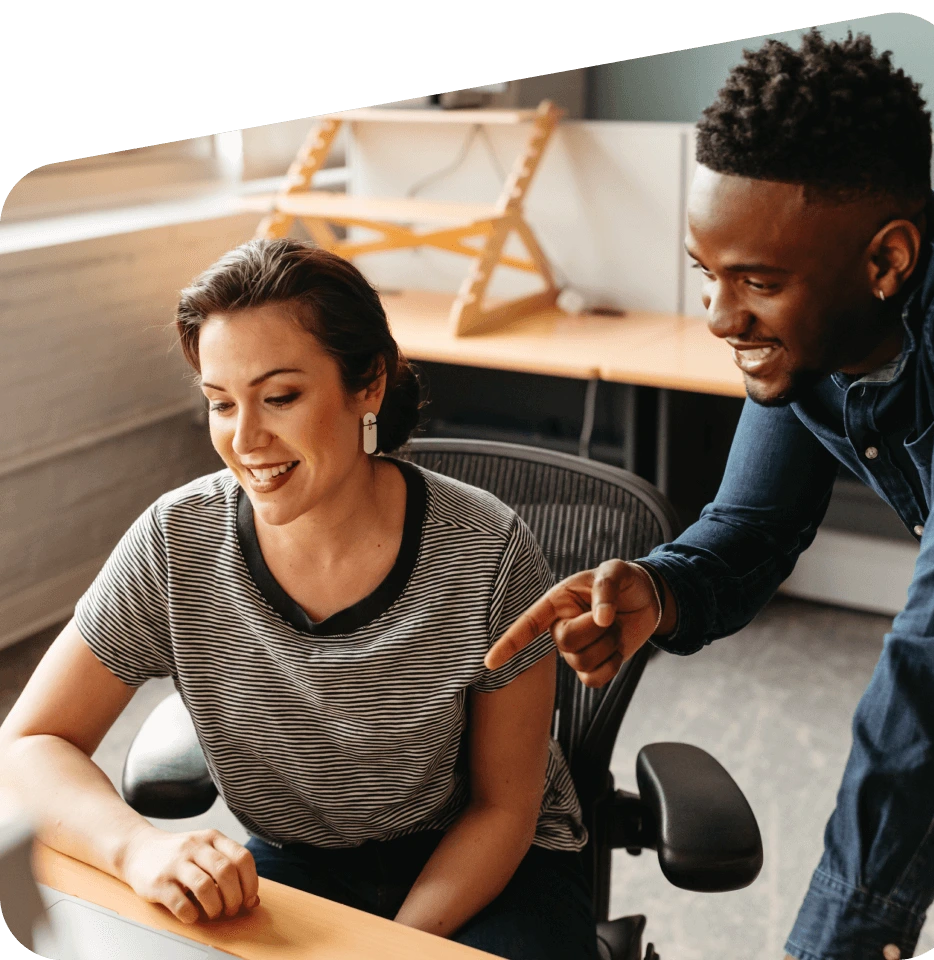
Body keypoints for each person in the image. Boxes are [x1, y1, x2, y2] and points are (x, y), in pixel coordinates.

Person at [487, 27, 934, 960]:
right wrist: (661, 588)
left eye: (758, 282)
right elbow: (754, 520)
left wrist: (831, 946)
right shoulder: (821, 331)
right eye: (709, 272)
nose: (718, 317)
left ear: (887, 260)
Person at [0, 238, 598, 960]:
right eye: (221, 402)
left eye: (279, 397)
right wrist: (136, 851)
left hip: (491, 861)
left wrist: (387, 948)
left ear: (368, 384)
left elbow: (504, 808)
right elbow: (31, 743)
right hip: (304, 860)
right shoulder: (175, 543)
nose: (245, 439)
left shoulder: (490, 550)